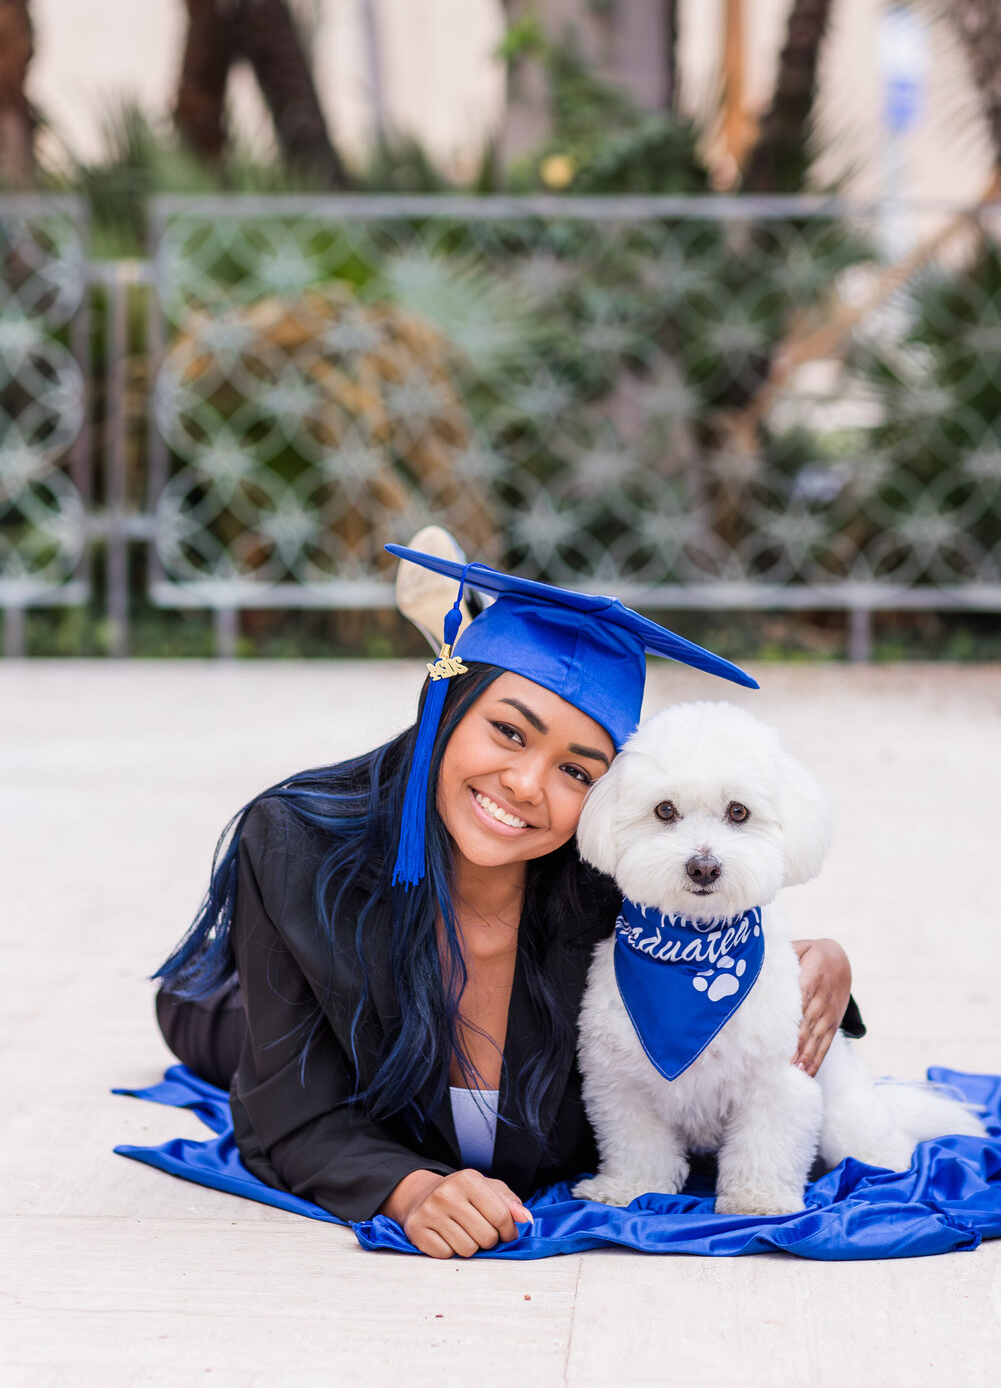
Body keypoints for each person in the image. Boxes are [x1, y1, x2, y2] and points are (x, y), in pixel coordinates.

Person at [155, 532, 863, 1260]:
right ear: (448, 702)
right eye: (507, 731)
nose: (525, 785)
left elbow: (729, 934)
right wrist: (408, 1188)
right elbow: (287, 1111)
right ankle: (191, 1000)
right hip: (262, 1009)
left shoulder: (610, 885)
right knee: (205, 1017)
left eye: (577, 772)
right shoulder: (297, 846)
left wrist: (826, 961)